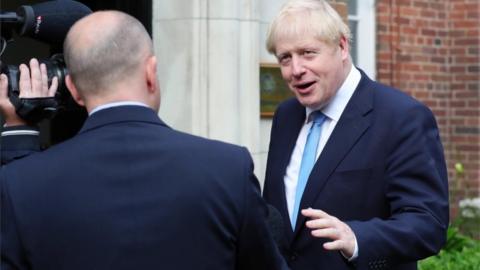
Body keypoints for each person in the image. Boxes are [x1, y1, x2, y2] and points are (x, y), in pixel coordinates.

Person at [0, 11, 288, 270]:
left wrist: (18, 129)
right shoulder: (228, 167)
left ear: (73, 90)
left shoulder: (21, 182)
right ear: (151, 72)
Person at [262, 0, 449, 269]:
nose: (296, 70)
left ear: (341, 47)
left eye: (308, 53)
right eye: (285, 58)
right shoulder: (286, 116)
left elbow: (428, 224)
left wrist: (357, 238)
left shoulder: (401, 117)